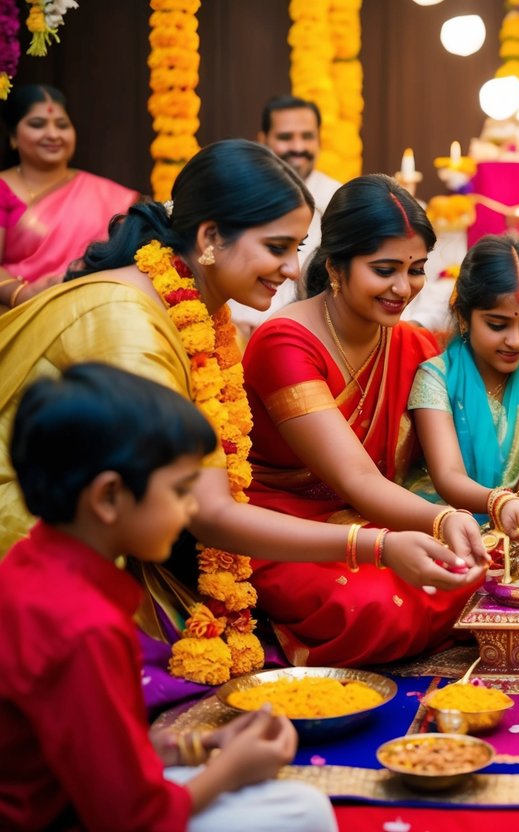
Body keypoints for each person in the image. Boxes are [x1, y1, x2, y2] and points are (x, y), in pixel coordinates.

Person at [0, 140, 483, 689]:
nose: (294, 268)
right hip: (38, 536)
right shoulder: (129, 324)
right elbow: (209, 513)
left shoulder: (208, 312)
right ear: (210, 239)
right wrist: (377, 544)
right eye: (277, 247)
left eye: (298, 247)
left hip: (149, 521)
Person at [0, 363, 338, 832]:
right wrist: (230, 771)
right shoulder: (85, 626)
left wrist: (201, 747)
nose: (192, 508)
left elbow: (96, 752)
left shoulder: (28, 562)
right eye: (181, 491)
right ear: (108, 497)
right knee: (303, 810)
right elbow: (133, 818)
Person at [241, 174, 485, 667]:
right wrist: (443, 518)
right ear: (335, 266)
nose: (404, 288)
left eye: (416, 269)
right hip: (288, 525)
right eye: (385, 269)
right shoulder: (285, 343)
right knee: (374, 609)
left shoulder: (410, 343)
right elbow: (355, 477)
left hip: (379, 515)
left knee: (485, 572)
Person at [409, 233, 519, 540]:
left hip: (515, 523)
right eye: (497, 325)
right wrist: (499, 502)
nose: (515, 340)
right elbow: (447, 476)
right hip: (441, 523)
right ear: (463, 317)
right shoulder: (435, 377)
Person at [0, 84, 138, 309]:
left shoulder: (107, 195)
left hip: (93, 311)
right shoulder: (3, 188)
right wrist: (22, 294)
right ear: (13, 136)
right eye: (38, 124)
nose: (53, 134)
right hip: (17, 316)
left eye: (62, 125)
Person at [229, 96, 344, 338]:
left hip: (308, 338)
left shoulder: (339, 200)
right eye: (285, 137)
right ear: (263, 140)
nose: (298, 147)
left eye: (307, 136)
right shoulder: (237, 195)